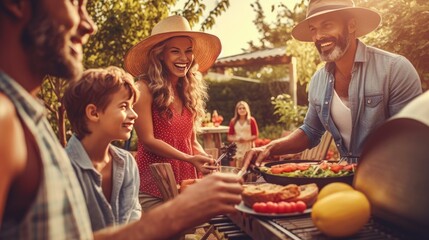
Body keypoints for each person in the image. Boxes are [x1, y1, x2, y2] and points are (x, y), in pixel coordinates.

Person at [0, 1, 242, 239]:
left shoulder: (29, 120)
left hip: (183, 180)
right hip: (155, 183)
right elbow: (148, 139)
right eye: (75, 3)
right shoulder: (5, 119)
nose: (89, 25)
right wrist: (174, 214)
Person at [242, 0, 422, 170]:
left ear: (351, 25)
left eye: (327, 25)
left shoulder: (394, 69)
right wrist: (268, 148)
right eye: (313, 29)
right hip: (343, 179)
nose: (319, 36)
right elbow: (310, 132)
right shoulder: (318, 81)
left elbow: (407, 139)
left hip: (391, 180)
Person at [123, 15, 221, 211]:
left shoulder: (187, 90)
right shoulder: (144, 89)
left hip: (186, 183)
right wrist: (189, 158)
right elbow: (148, 140)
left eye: (188, 51)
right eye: (175, 51)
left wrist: (207, 161)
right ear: (160, 54)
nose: (184, 58)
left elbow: (191, 141)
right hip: (154, 185)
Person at [63, 66, 142, 231]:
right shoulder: (62, 169)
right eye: (123, 106)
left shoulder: (127, 163)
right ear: (94, 113)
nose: (134, 114)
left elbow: (133, 222)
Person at [227, 101, 259, 168]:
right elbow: (229, 137)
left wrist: (246, 139)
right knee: (236, 167)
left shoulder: (251, 120)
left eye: (244, 108)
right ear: (237, 110)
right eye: (240, 108)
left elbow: (255, 135)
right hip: (237, 147)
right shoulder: (233, 121)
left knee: (248, 166)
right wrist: (237, 139)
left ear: (247, 109)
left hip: (248, 146)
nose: (242, 110)